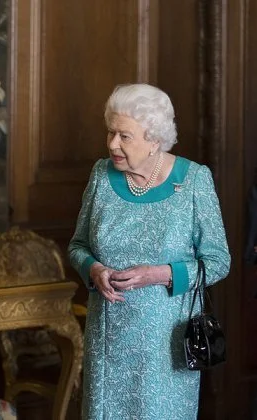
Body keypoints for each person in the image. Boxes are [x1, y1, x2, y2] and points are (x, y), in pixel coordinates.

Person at [68, 83, 230, 419]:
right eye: (110, 132)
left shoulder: (194, 181)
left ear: (154, 139)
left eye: (124, 136)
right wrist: (94, 270)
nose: (112, 143)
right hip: (108, 342)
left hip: (166, 350)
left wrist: (160, 274)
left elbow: (218, 261)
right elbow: (78, 246)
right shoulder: (101, 175)